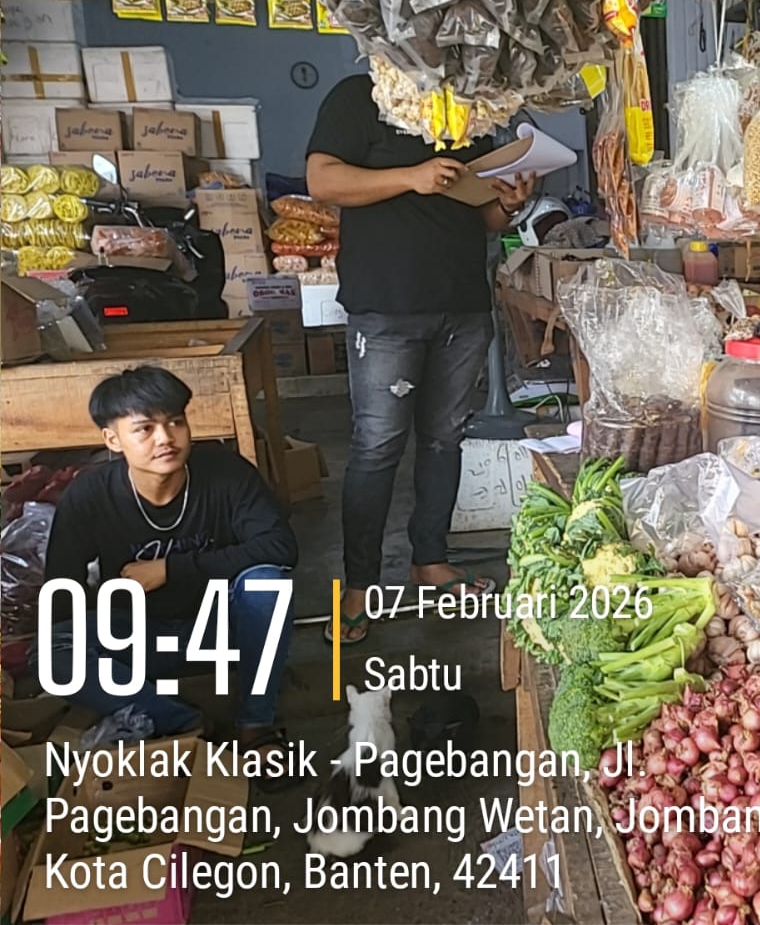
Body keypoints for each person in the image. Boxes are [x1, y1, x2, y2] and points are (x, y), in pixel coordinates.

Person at [304, 74, 540, 644]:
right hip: (385, 305)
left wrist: (509, 204)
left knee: (444, 438)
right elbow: (322, 180)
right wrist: (412, 177)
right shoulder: (361, 96)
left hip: (461, 303)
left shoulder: (471, 109)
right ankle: (360, 584)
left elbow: (483, 215)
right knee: (377, 445)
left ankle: (429, 559)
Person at [43, 366, 301, 783]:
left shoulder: (225, 473)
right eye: (144, 428)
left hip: (220, 632)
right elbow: (61, 590)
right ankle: (188, 724)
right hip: (138, 637)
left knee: (267, 585)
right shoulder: (90, 495)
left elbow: (281, 547)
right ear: (112, 439)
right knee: (52, 653)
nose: (165, 438)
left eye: (175, 422)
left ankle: (255, 727)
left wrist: (170, 569)